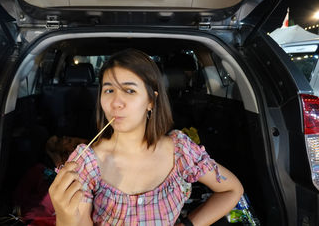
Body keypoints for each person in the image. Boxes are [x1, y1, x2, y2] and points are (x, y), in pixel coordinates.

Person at [49, 48, 244, 226]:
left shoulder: (180, 151)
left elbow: (232, 190)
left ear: (151, 101)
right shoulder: (85, 164)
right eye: (109, 90)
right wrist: (64, 216)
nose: (116, 102)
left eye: (129, 90)